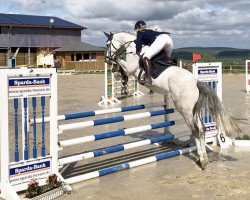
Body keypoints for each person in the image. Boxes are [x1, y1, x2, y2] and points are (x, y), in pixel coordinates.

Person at [134, 20, 173, 84]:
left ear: (138, 28)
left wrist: (137, 51)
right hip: (169, 38)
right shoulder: (150, 31)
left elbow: (138, 45)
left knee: (145, 57)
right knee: (166, 60)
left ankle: (148, 78)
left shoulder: (140, 32)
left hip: (161, 39)